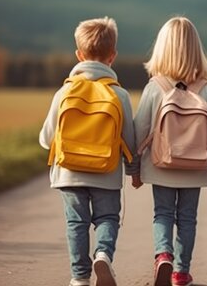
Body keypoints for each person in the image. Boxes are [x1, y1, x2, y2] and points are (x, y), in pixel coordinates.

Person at [39, 17, 137, 286]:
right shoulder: (120, 95)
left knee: (76, 223)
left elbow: (47, 138)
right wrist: (134, 169)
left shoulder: (65, 92)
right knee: (107, 218)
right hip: (106, 172)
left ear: (79, 55)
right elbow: (130, 140)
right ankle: (103, 253)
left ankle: (80, 277)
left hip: (69, 172)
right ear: (113, 56)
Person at [131, 16, 207, 286]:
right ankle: (181, 272)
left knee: (162, 213)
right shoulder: (204, 90)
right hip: (194, 166)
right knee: (188, 218)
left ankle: (163, 255)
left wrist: (134, 169)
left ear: (161, 49)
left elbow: (139, 131)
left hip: (160, 165)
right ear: (197, 51)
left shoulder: (154, 88)